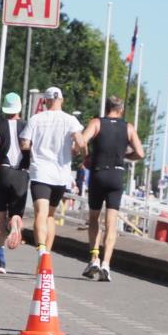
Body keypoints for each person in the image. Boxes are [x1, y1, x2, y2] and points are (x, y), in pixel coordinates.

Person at [81, 96, 144, 281]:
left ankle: (94, 258)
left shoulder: (97, 123)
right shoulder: (128, 127)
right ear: (121, 110)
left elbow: (83, 141)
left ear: (107, 108)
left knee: (94, 218)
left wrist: (87, 157)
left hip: (99, 173)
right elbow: (140, 153)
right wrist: (126, 157)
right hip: (116, 175)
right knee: (111, 222)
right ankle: (106, 264)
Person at [22, 86, 86, 256]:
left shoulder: (35, 119)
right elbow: (81, 142)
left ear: (45, 101)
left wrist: (32, 148)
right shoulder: (71, 120)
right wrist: (78, 151)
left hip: (41, 172)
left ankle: (41, 251)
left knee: (40, 215)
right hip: (60, 175)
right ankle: (47, 255)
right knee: (50, 215)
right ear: (62, 100)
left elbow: (25, 144)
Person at [0, 92, 30, 274]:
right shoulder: (27, 126)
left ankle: (1, 261)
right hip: (21, 174)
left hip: (2, 172)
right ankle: (16, 223)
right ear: (19, 108)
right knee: (16, 213)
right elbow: (30, 149)